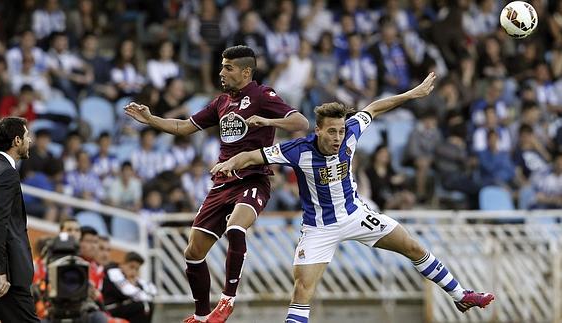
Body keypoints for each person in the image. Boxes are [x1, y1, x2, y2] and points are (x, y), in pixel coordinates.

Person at [211, 73, 495, 322]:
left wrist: (413, 93)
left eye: (341, 130)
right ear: (318, 130)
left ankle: (461, 295)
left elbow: (374, 107)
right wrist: (228, 163)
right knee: (302, 290)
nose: (338, 137)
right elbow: (253, 155)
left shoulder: (351, 133)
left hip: (356, 215)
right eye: (332, 131)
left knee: (412, 246)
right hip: (319, 228)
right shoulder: (297, 150)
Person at [124, 45, 309, 323]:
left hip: (253, 179)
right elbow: (183, 126)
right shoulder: (221, 102)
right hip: (222, 183)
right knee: (193, 252)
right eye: (222, 66)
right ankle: (201, 316)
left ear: (246, 72)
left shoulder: (262, 95)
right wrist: (150, 120)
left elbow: (301, 122)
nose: (221, 72)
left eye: (228, 67)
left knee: (236, 227)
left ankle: (227, 300)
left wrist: (269, 120)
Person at [0, 117, 39, 322]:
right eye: (27, 136)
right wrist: (1, 271)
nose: (30, 141)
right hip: (5, 276)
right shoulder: (6, 174)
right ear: (17, 140)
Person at [102, 252, 157, 323]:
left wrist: (137, 285)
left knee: (147, 305)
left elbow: (152, 290)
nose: (133, 271)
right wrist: (135, 286)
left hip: (121, 308)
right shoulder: (114, 273)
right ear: (122, 264)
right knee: (141, 306)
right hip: (109, 308)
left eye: (137, 269)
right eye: (131, 267)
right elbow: (129, 291)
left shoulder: (130, 277)